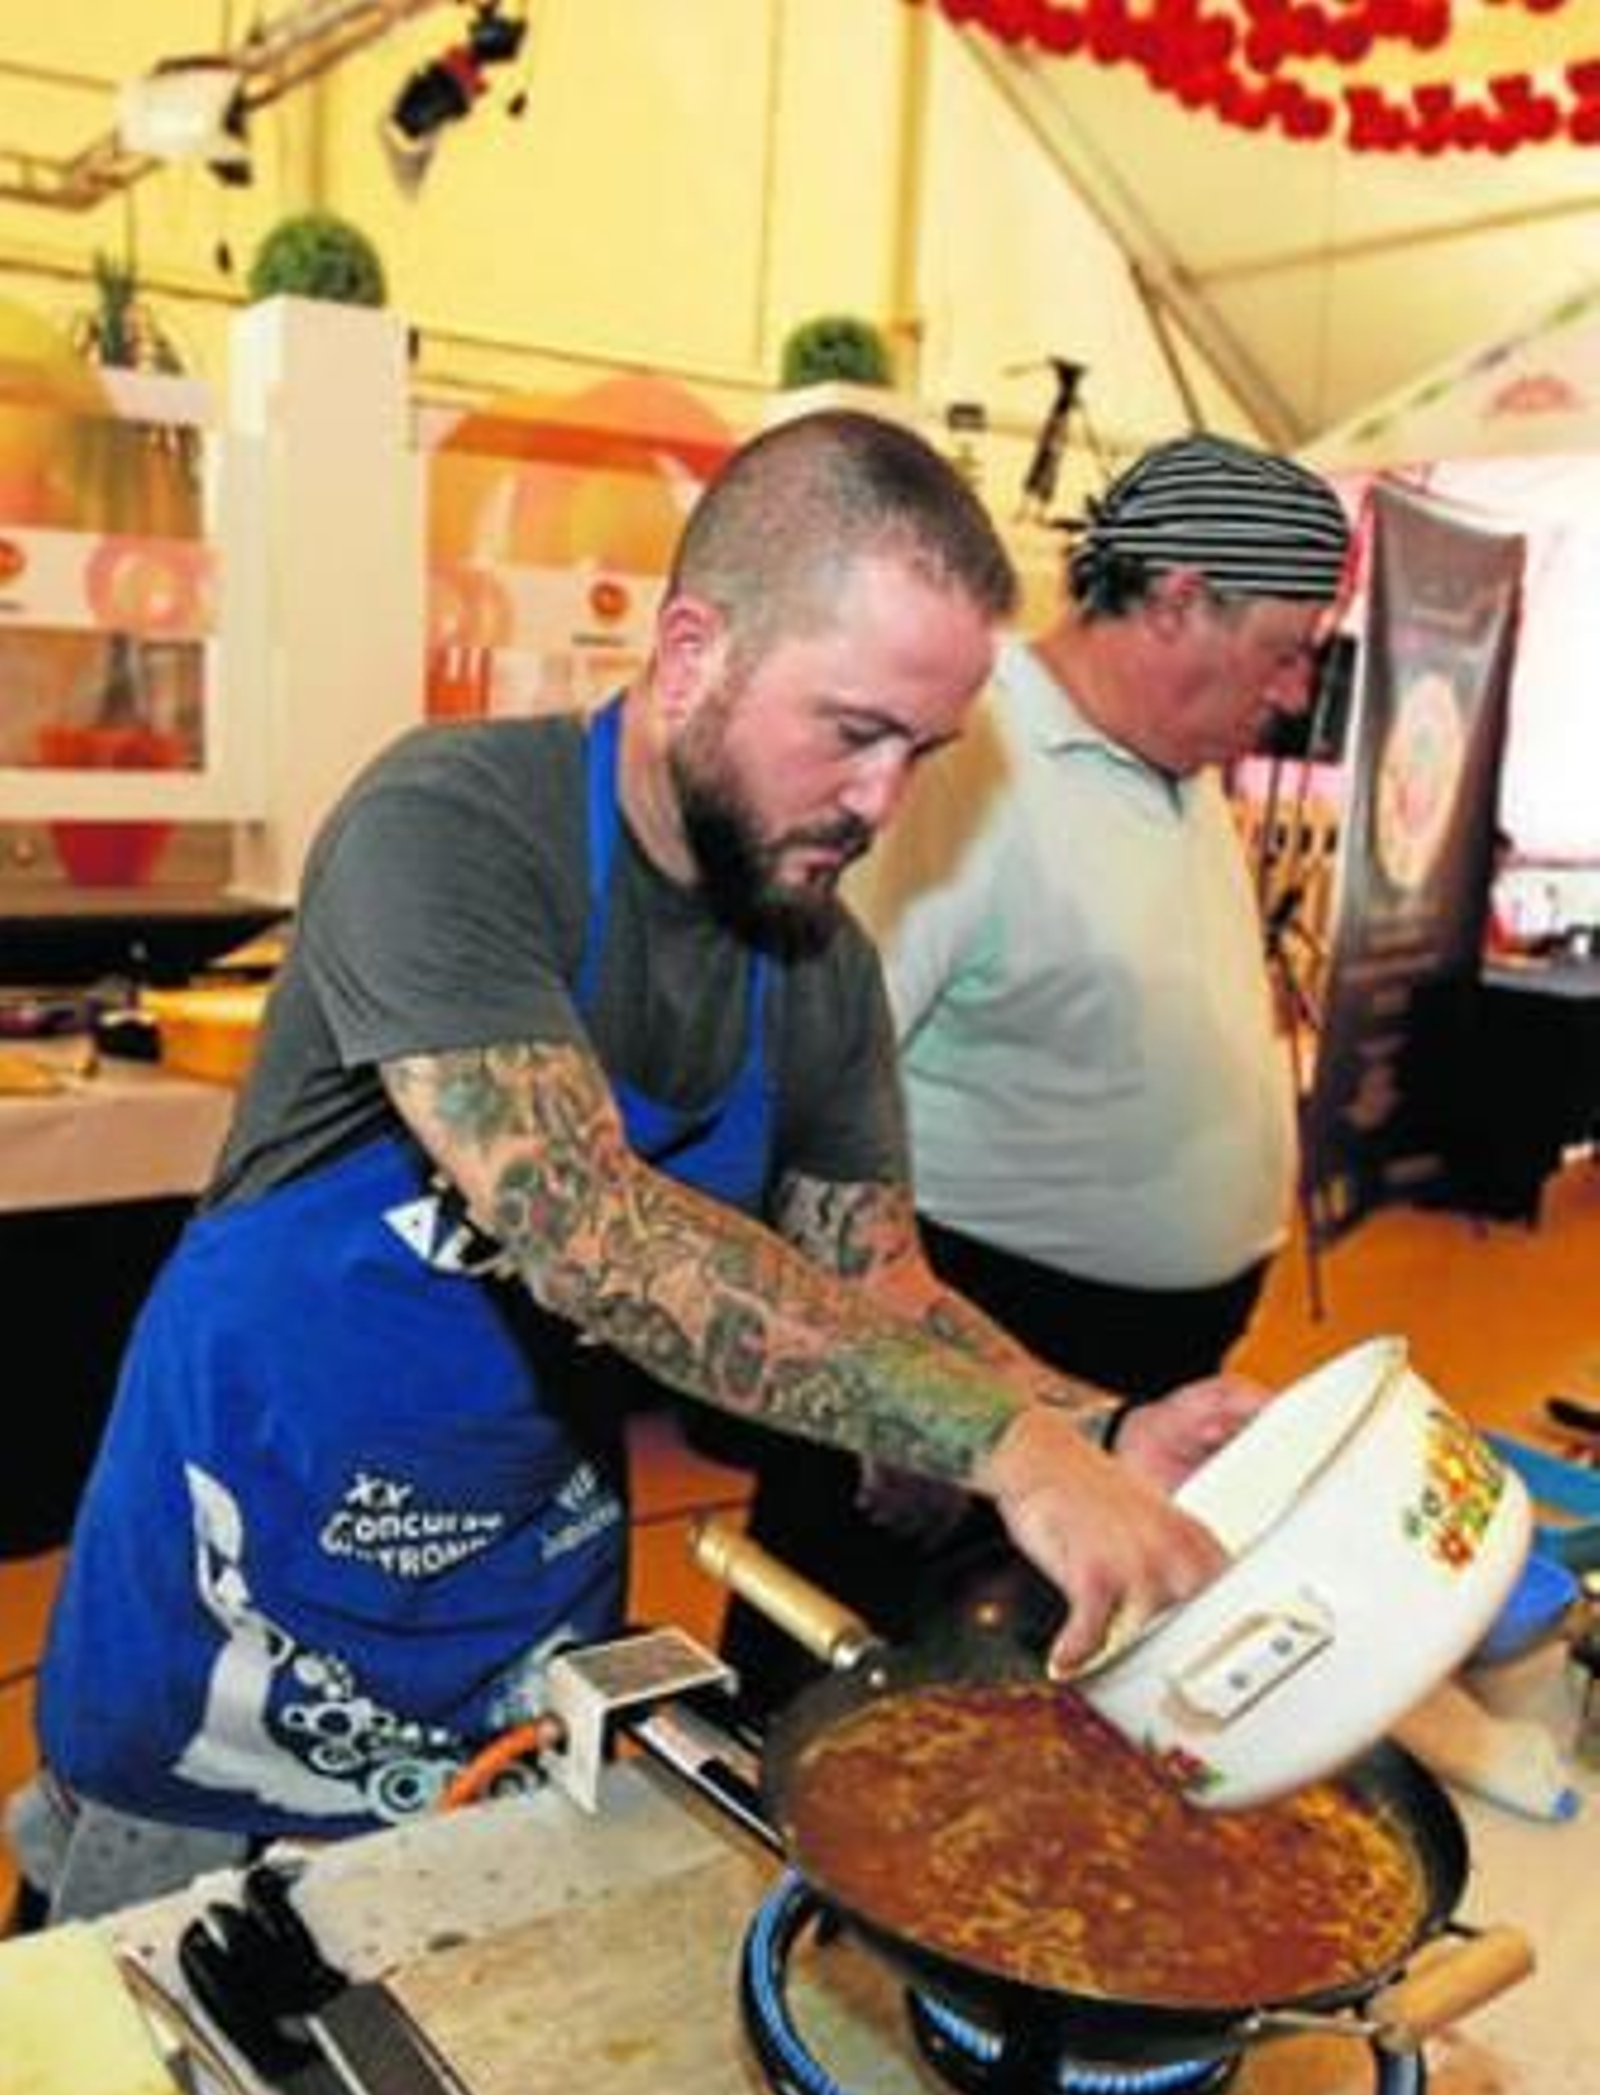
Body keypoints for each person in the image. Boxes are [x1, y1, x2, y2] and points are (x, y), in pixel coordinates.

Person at [9, 410, 1259, 1922]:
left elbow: (879, 1288)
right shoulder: (453, 825)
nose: (883, 803)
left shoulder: (820, 973)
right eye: (852, 729)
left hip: (523, 1630)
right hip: (239, 1626)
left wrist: (1096, 1422)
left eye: (923, 752)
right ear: (688, 656)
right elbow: (582, 1225)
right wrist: (1012, 1451)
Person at [723, 431, 1350, 1712]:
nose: (1295, 691)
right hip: (961, 1323)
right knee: (849, 1707)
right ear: (1176, 599)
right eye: (1286, 647)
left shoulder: (1173, 764)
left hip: (1140, 1368)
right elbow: (804, 1107)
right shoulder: (962, 760)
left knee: (1045, 1708)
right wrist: (890, 1402)